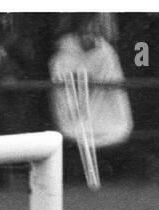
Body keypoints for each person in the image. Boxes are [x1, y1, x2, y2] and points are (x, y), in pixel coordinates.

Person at [49, 14, 134, 181]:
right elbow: (61, 81)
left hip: (103, 110)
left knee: (112, 129)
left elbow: (112, 79)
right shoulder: (64, 54)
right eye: (85, 31)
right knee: (78, 132)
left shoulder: (106, 53)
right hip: (75, 112)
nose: (89, 36)